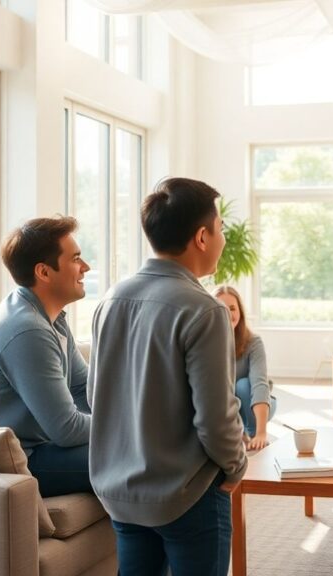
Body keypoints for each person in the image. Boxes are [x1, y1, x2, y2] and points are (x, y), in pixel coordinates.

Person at [89, 177, 247, 576]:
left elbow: (96, 397)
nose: (223, 238)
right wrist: (236, 466)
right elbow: (216, 417)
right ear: (201, 237)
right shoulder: (204, 310)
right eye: (221, 228)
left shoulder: (110, 299)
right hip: (187, 495)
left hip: (121, 493)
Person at [0, 216, 92, 498]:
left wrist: (130, 419)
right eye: (76, 259)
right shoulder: (27, 330)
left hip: (30, 448)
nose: (85, 267)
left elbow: (83, 388)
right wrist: (128, 428)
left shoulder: (50, 318)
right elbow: (66, 429)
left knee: (142, 447)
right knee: (135, 455)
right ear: (44, 272)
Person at [213, 285, 277, 451]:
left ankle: (252, 432)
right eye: (222, 308)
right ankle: (239, 433)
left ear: (240, 311)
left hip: (257, 402)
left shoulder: (253, 342)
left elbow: (259, 384)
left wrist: (261, 433)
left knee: (242, 384)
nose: (228, 313)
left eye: (232, 308)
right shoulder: (207, 344)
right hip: (230, 406)